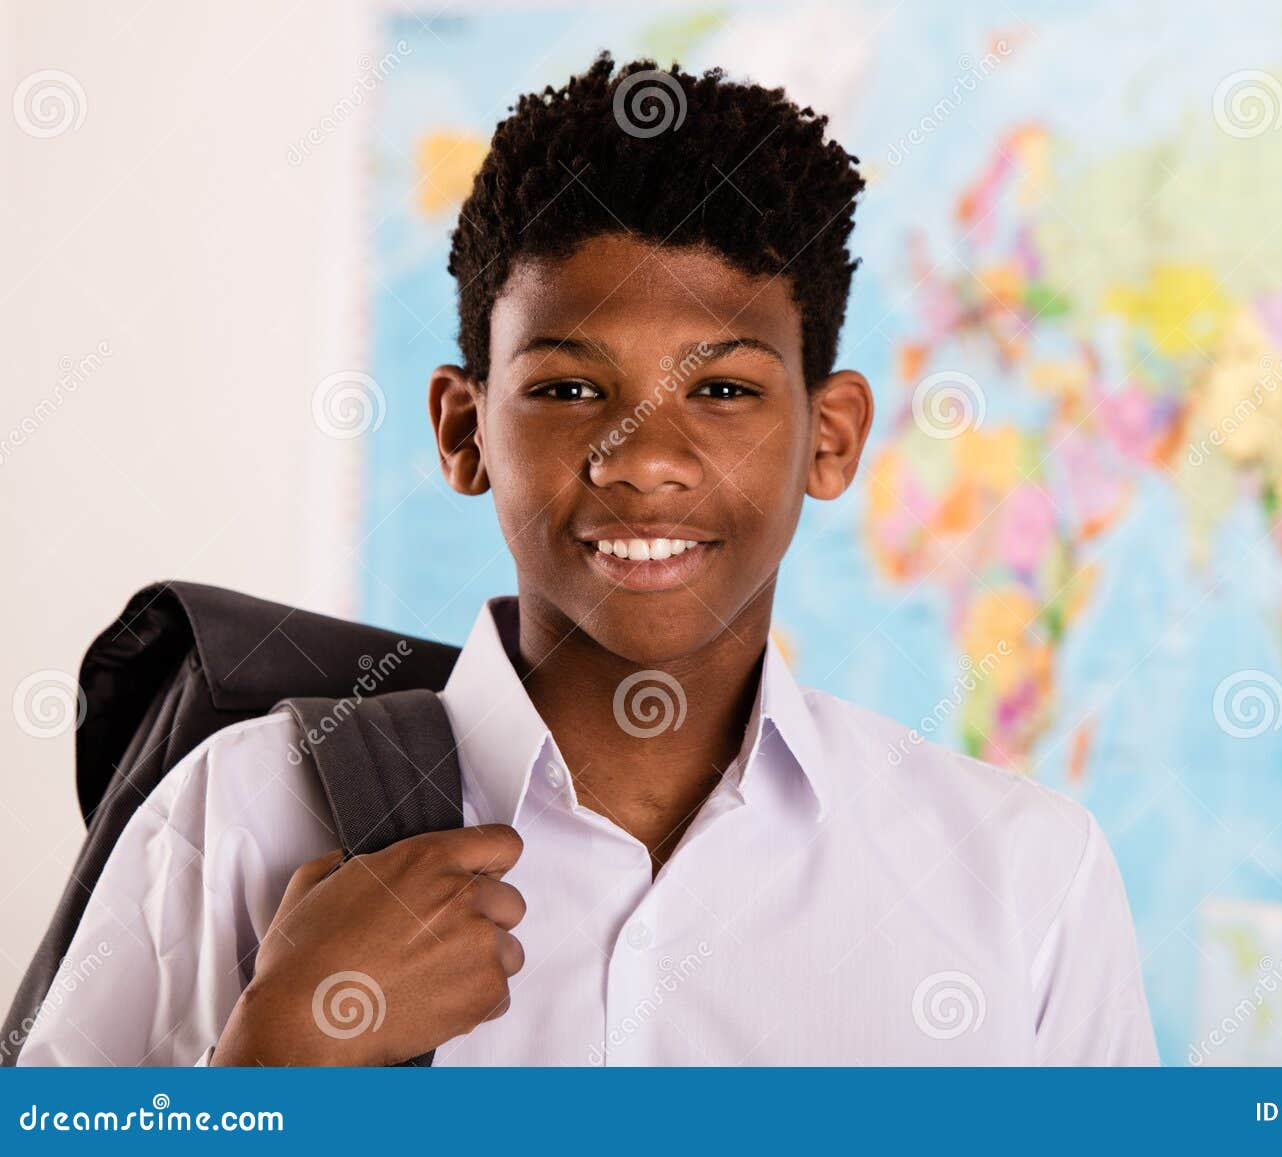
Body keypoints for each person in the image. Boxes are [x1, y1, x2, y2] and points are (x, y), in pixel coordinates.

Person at [17, 52, 1158, 1066]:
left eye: (722, 389)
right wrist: (286, 1051)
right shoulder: (242, 812)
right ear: (465, 432)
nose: (644, 456)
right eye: (569, 389)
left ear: (832, 434)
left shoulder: (1025, 881)